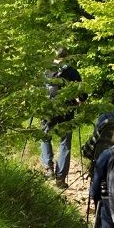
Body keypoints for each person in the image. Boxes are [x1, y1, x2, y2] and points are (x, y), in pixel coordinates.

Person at [40, 48, 82, 188]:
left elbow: (38, 89)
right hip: (66, 110)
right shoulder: (72, 71)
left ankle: (48, 168)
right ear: (67, 57)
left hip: (48, 109)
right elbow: (81, 92)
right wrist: (81, 101)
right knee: (65, 142)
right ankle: (60, 178)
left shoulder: (45, 70)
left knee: (45, 136)